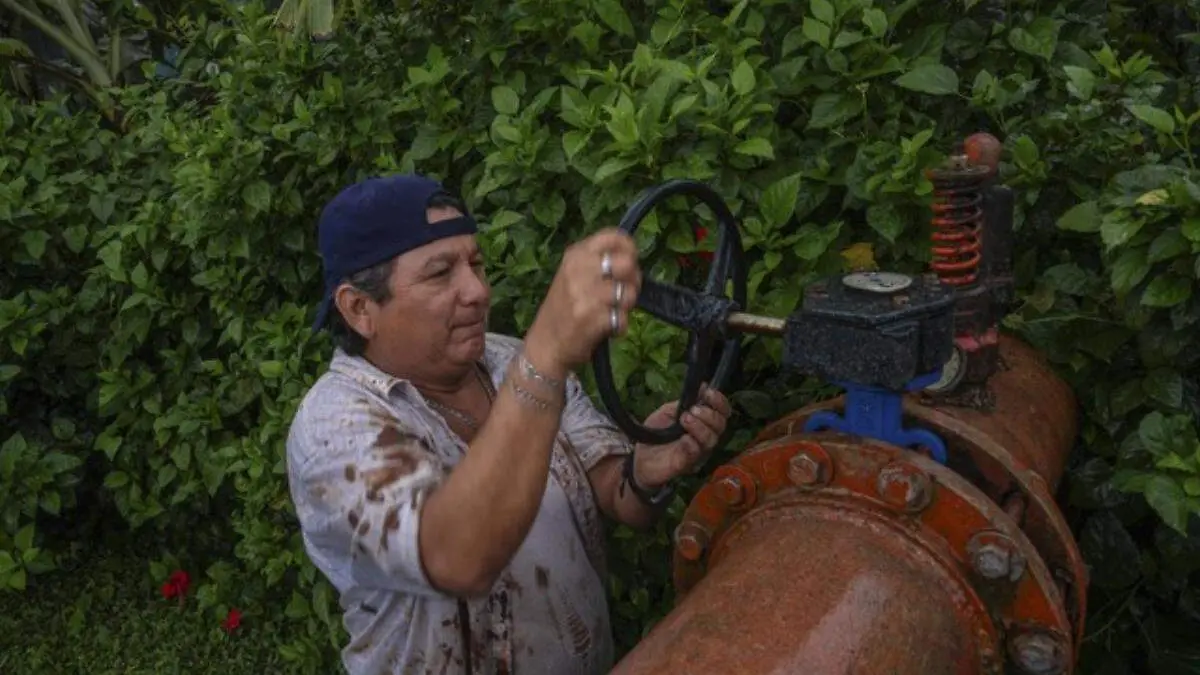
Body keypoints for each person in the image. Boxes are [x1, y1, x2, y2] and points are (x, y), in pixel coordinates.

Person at [285, 174, 732, 675]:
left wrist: (646, 470)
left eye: (475, 263)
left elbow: (615, 494)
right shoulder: (333, 427)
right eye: (440, 273)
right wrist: (545, 358)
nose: (477, 290)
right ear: (359, 309)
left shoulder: (506, 358)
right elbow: (458, 558)